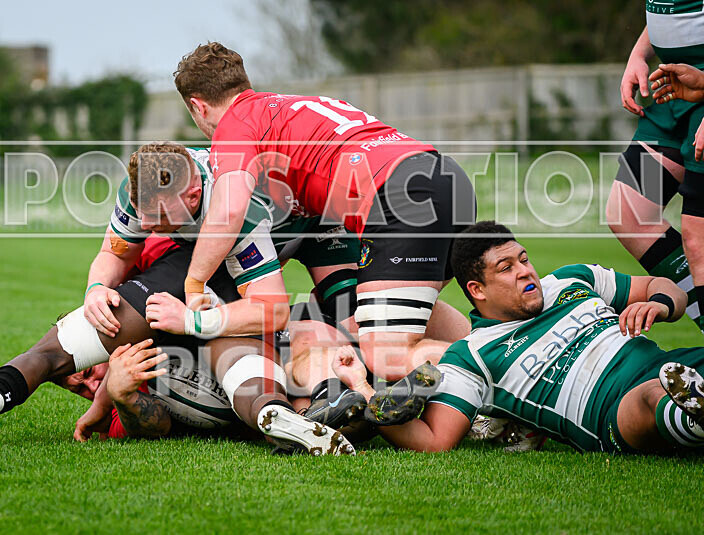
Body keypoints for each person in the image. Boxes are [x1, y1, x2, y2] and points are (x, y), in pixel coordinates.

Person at [0, 143, 357, 455]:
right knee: (78, 334)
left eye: (156, 216)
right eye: (140, 212)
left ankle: (318, 403)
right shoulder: (147, 188)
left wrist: (191, 322)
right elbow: (111, 253)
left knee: (349, 324)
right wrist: (96, 288)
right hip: (192, 269)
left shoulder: (236, 210)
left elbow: (272, 305)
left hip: (312, 232)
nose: (144, 222)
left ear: (193, 196)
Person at [172, 43, 476, 422]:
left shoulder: (235, 125)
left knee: (386, 352)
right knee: (392, 310)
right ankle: (490, 358)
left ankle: (502, 374)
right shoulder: (288, 105)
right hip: (444, 176)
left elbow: (229, 209)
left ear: (198, 106)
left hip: (400, 197)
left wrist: (194, 284)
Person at [332, 221, 704, 455]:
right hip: (615, 410)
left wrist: (659, 304)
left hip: (672, 365)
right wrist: (363, 388)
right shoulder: (472, 356)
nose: (525, 271)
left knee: (674, 373)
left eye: (524, 259)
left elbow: (664, 286)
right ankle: (691, 415)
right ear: (477, 290)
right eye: (506, 268)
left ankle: (693, 406)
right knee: (652, 395)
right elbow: (435, 440)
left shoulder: (572, 281)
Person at [606, 5, 704, 335]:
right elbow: (673, 14)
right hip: (672, 91)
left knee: (698, 239)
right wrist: (638, 54)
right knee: (630, 212)